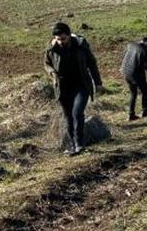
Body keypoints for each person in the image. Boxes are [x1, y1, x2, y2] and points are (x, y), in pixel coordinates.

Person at [44, 22, 103, 155]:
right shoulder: (51, 48)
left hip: (81, 85)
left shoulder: (81, 45)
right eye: (58, 39)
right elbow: (46, 64)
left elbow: (92, 63)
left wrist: (98, 82)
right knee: (68, 117)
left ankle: (79, 144)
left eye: (63, 39)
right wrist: (52, 72)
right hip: (63, 87)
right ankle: (73, 145)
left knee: (77, 113)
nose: (61, 42)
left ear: (69, 35)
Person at [120, 37, 147, 121]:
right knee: (145, 91)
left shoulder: (130, 45)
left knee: (133, 93)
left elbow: (124, 56)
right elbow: (146, 64)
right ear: (146, 42)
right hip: (136, 73)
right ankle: (144, 111)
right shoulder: (143, 50)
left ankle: (131, 114)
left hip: (125, 72)